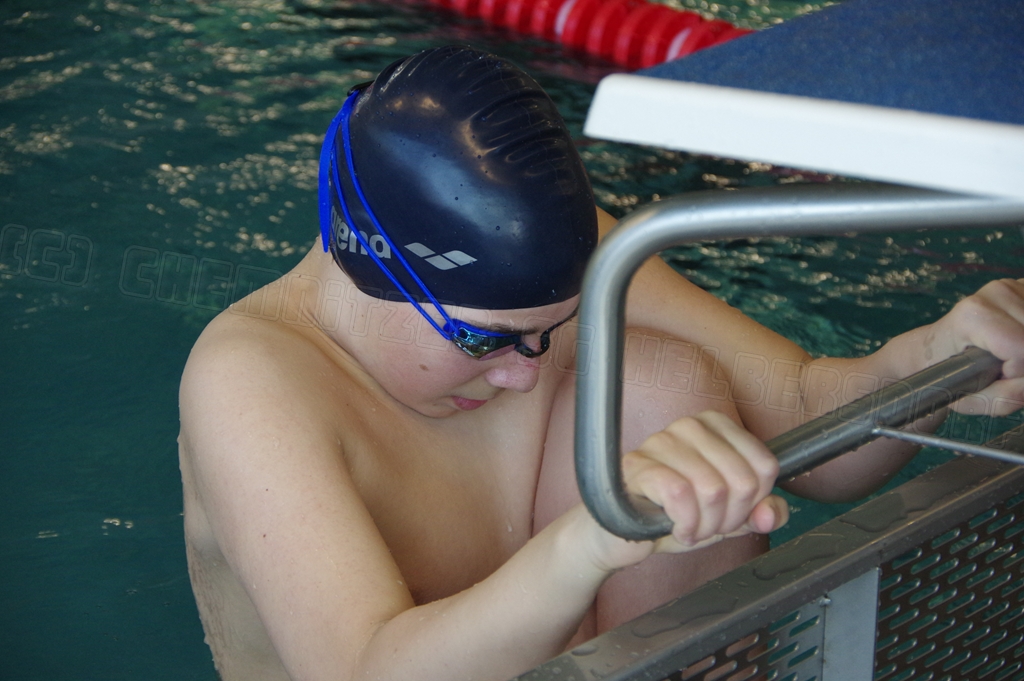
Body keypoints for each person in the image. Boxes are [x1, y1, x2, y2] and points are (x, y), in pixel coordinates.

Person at [177, 45, 1024, 681]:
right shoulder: (251, 380)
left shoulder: (573, 272)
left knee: (652, 387)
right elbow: (366, 667)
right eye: (483, 340)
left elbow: (807, 418)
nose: (522, 372)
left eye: (552, 330)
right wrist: (588, 543)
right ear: (373, 271)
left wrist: (933, 356)